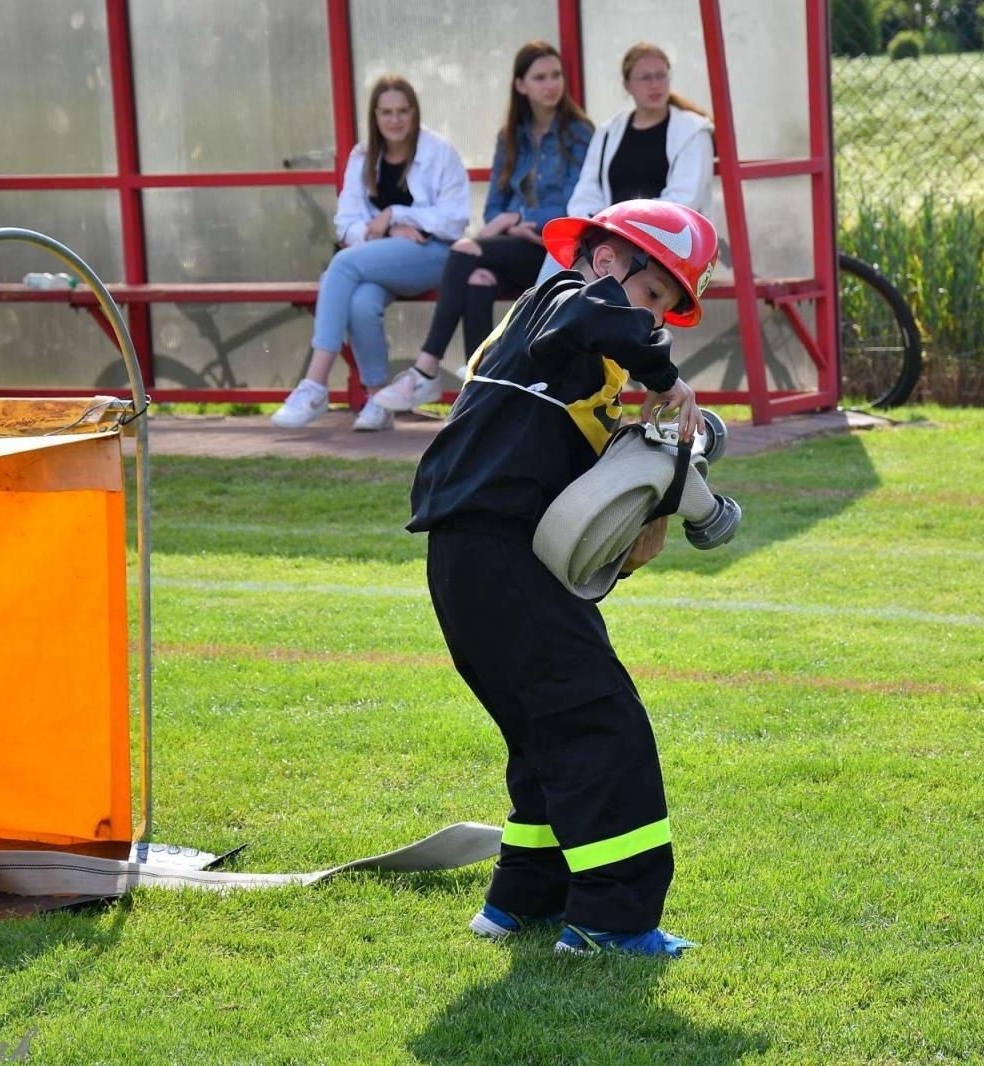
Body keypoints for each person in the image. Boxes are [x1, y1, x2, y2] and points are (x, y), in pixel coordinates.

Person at [407, 199, 719, 957]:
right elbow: (592, 321)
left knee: (545, 733)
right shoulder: (567, 300)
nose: (653, 319)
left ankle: (525, 898)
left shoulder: (546, 338)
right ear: (608, 259)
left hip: (467, 558)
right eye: (652, 297)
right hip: (499, 554)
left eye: (669, 311)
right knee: (600, 723)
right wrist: (665, 377)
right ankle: (613, 921)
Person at [371, 41, 592, 414]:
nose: (551, 84)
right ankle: (482, 398)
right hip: (512, 247)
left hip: (555, 250)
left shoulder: (580, 134)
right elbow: (493, 208)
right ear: (521, 85)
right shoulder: (508, 138)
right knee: (478, 280)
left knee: (464, 250)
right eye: (540, 77)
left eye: (556, 75)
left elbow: (576, 203)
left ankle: (428, 368)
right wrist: (509, 222)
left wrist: (521, 219)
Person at [270, 75, 467, 432]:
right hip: (381, 256)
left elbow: (454, 220)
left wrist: (395, 214)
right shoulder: (363, 156)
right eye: (386, 112)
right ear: (375, 116)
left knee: (339, 267)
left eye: (403, 111)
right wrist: (388, 230)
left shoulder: (440, 151)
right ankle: (378, 400)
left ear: (415, 113)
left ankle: (314, 385)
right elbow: (345, 224)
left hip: (434, 254)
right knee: (360, 302)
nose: (395, 120)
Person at [566, 42, 714, 220]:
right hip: (610, 235)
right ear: (627, 85)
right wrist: (596, 222)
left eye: (661, 76)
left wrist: (627, 223)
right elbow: (586, 192)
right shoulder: (607, 132)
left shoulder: (693, 131)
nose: (655, 85)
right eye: (645, 78)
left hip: (670, 238)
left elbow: (684, 200)